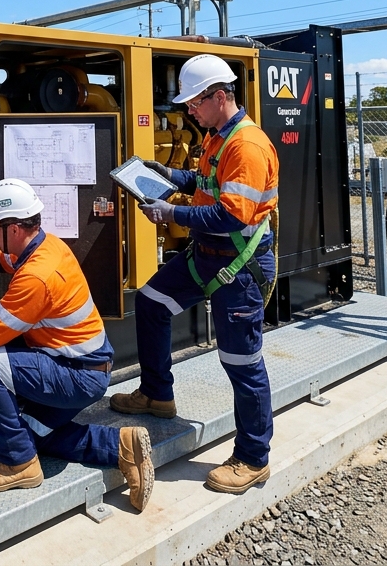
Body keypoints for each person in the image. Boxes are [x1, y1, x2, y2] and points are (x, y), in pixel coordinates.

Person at [0, 178, 154, 511]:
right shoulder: (45, 246)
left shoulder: (37, 275)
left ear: (14, 228)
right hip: (85, 367)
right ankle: (123, 446)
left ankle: (17, 464)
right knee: (34, 433)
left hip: (76, 374)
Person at [110, 53, 279, 495]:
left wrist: (170, 211)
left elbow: (232, 215)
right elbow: (207, 183)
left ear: (220, 97)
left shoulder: (247, 145)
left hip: (238, 264)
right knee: (150, 302)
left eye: (194, 103)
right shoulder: (217, 137)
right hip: (206, 254)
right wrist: (170, 176)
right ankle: (157, 394)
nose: (188, 110)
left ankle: (253, 458)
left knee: (241, 362)